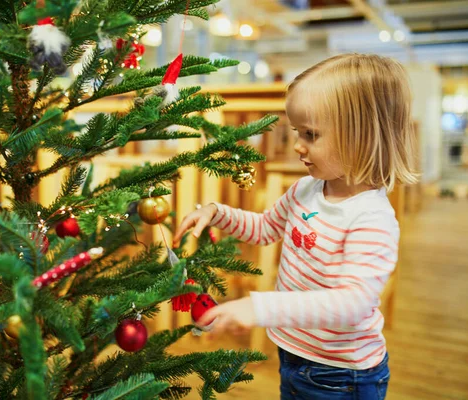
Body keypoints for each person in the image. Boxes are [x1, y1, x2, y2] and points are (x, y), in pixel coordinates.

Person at [172, 53, 418, 399]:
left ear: (359, 136)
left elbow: (352, 304)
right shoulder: (305, 190)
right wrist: (217, 212)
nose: (298, 146)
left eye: (311, 134)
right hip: (296, 353)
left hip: (340, 374)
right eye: (297, 132)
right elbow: (264, 228)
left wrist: (259, 307)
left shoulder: (371, 218)